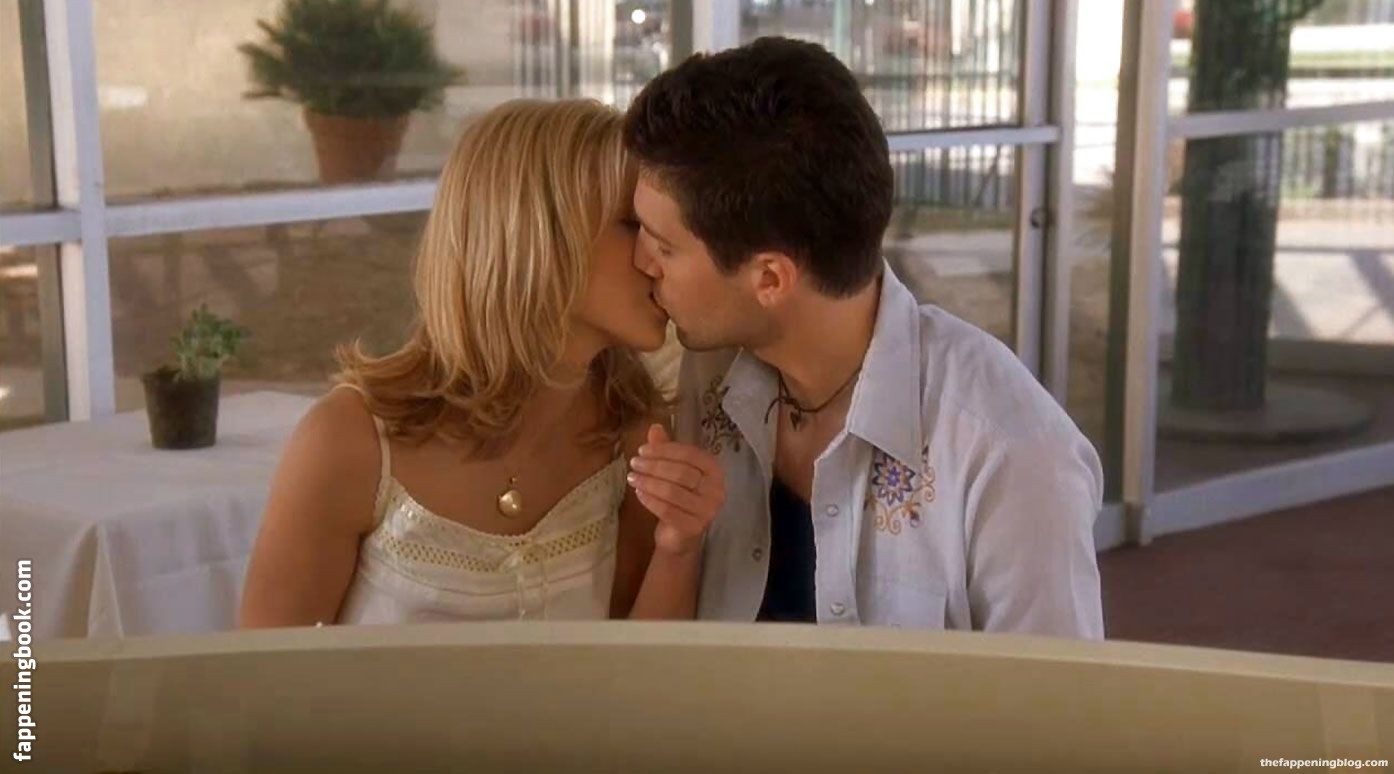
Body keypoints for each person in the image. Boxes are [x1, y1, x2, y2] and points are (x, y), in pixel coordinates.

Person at [623, 37, 1105, 637]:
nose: (640, 261)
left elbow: (1052, 693)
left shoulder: (1010, 454)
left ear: (769, 278)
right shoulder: (707, 371)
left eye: (663, 245)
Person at [240, 99, 722, 627]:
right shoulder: (351, 441)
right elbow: (264, 668)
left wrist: (679, 548)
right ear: (537, 237)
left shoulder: (635, 433)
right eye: (636, 225)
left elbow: (639, 666)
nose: (659, 257)